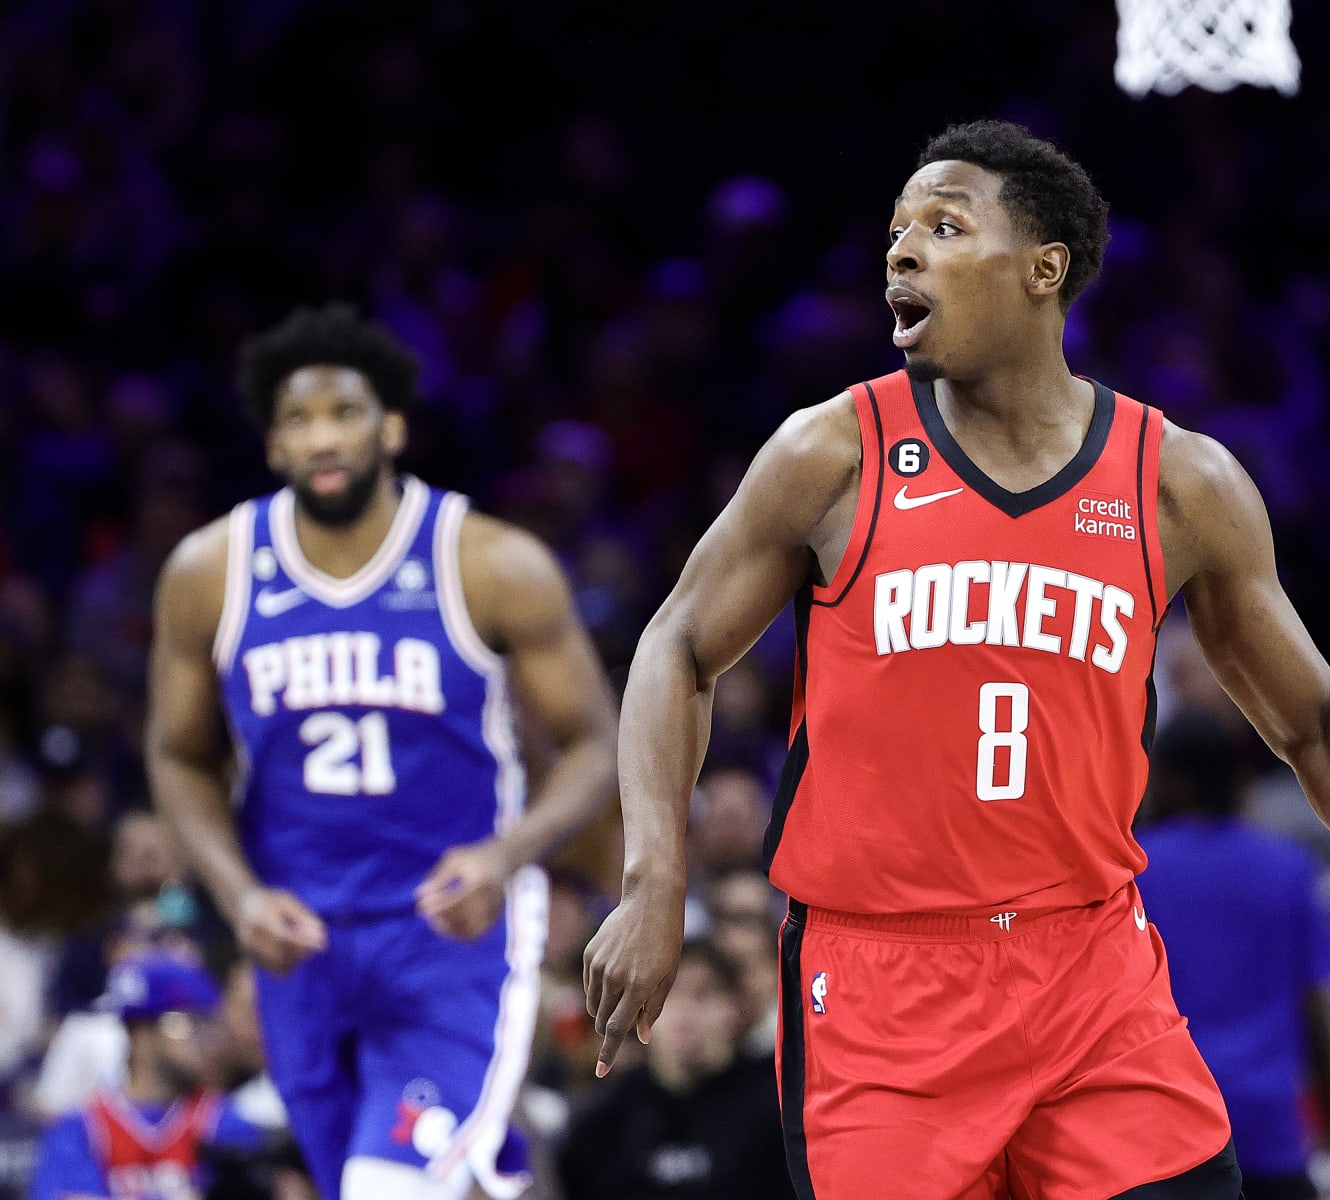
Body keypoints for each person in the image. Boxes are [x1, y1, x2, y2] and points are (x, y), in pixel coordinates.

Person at [583, 119, 1330, 1200]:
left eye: (944, 225)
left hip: (1088, 973)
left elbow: (1317, 721)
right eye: (896, 233)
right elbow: (677, 647)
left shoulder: (1176, 484)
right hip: (882, 987)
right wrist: (654, 880)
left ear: (1043, 269)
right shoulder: (833, 453)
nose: (902, 251)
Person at [146, 305, 619, 1200]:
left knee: (383, 1186)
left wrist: (507, 855)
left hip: (448, 931)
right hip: (300, 939)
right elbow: (177, 756)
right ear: (273, 445)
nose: (323, 437)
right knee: (355, 1181)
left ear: (393, 427)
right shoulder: (209, 571)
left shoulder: (489, 562)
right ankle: (505, 1171)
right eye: (298, 419)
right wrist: (238, 895)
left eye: (345, 412)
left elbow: (595, 741)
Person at [1136, 710, 1330, 1200]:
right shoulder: (1288, 868)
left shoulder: (1137, 870)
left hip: (1168, 1121)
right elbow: (1315, 1006)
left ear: (1171, 780)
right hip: (1269, 1123)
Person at [557, 939, 789, 1200]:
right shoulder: (602, 1123)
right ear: (638, 1009)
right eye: (665, 995)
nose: (684, 1011)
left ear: (736, 1008)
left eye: (702, 994)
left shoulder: (776, 1116)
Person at [29, 951, 267, 1200]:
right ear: (138, 1031)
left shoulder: (221, 1119)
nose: (204, 1039)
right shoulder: (81, 1128)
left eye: (208, 1024)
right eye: (188, 1023)